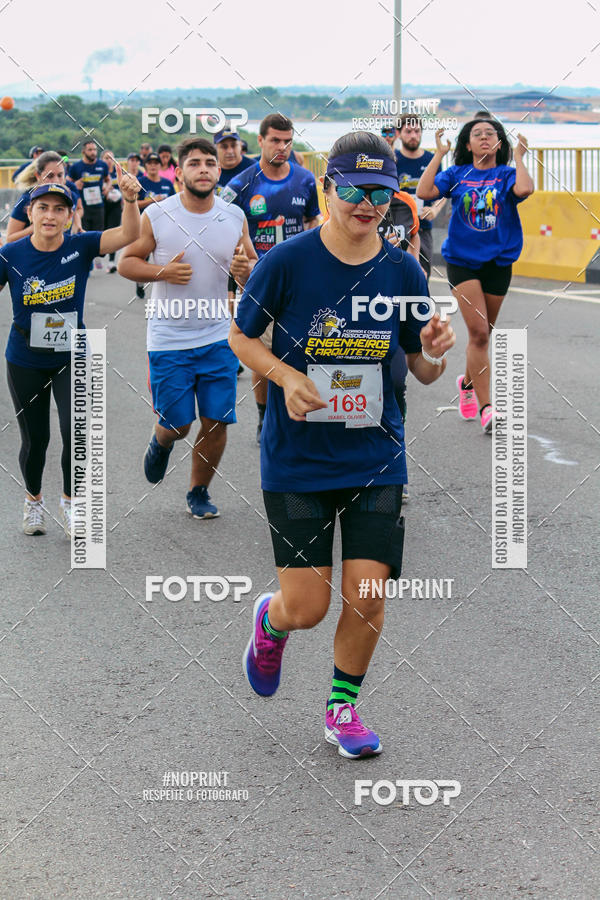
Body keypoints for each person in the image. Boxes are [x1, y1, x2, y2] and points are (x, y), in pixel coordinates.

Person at [229, 131, 455, 758]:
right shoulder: (287, 263)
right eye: (353, 190)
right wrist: (287, 376)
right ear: (327, 188)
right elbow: (241, 339)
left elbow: (421, 365)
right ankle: (271, 623)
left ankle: (341, 710)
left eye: (381, 193)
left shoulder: (403, 268)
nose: (367, 204)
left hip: (375, 458)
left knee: (368, 596)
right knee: (308, 606)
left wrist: (435, 353)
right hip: (297, 459)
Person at [118, 137, 257, 519]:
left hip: (217, 336)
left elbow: (251, 270)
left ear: (219, 170)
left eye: (210, 163)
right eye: (194, 163)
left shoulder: (234, 216)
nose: (204, 169)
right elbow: (126, 262)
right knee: (179, 424)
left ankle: (198, 491)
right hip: (169, 338)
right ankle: (161, 441)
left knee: (216, 421)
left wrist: (245, 273)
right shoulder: (159, 214)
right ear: (179, 172)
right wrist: (162, 272)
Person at [1, 171, 140, 537]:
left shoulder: (80, 246)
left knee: (76, 432)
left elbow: (128, 235)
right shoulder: (11, 253)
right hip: (25, 358)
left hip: (71, 355)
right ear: (30, 213)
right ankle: (33, 501)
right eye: (42, 207)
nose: (50, 215)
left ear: (68, 216)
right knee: (36, 440)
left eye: (58, 209)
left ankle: (71, 502)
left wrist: (128, 200)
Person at [417, 120, 533, 432]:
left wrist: (519, 156)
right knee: (479, 333)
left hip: (498, 261)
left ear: (499, 143)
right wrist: (439, 154)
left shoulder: (507, 174)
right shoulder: (457, 174)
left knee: (485, 333)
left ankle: (467, 384)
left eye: (490, 134)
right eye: (476, 135)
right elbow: (424, 191)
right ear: (467, 145)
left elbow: (524, 189)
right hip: (462, 261)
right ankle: (487, 409)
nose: (484, 138)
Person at [221, 112, 321, 443]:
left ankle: (306, 408)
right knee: (262, 354)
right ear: (261, 141)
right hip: (258, 281)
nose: (282, 146)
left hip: (301, 279)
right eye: (275, 140)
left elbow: (313, 225)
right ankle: (265, 418)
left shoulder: (306, 180)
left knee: (305, 347)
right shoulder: (240, 185)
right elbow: (224, 229)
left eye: (287, 140)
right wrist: (240, 268)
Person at [395, 114, 446, 279]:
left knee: (421, 278)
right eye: (408, 131)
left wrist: (434, 210)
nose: (413, 136)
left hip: (423, 229)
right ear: (399, 133)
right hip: (396, 229)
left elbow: (443, 192)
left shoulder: (432, 160)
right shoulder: (393, 161)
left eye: (417, 131)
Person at [7, 151, 83, 243]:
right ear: (38, 176)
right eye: (49, 176)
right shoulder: (27, 199)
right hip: (34, 255)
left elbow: (76, 211)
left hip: (63, 254)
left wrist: (78, 227)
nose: (56, 181)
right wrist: (35, 228)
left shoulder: (70, 196)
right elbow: (10, 239)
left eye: (60, 175)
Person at [69, 140, 110, 235]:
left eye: (95, 150)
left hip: (99, 206)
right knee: (83, 235)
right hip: (83, 208)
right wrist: (75, 184)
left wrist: (107, 188)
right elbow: (67, 184)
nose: (93, 153)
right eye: (90, 150)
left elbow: (108, 179)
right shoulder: (76, 167)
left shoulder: (102, 165)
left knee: (98, 235)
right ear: (83, 152)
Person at [214, 128, 257, 194]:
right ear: (215, 148)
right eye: (224, 147)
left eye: (234, 146)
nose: (230, 151)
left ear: (240, 146)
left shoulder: (255, 169)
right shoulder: (211, 171)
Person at [101, 150, 123, 273]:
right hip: (101, 206)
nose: (108, 161)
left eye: (111, 158)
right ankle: (98, 257)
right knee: (102, 231)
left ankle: (111, 261)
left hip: (115, 206)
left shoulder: (118, 173)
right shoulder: (99, 173)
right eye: (106, 158)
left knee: (113, 231)